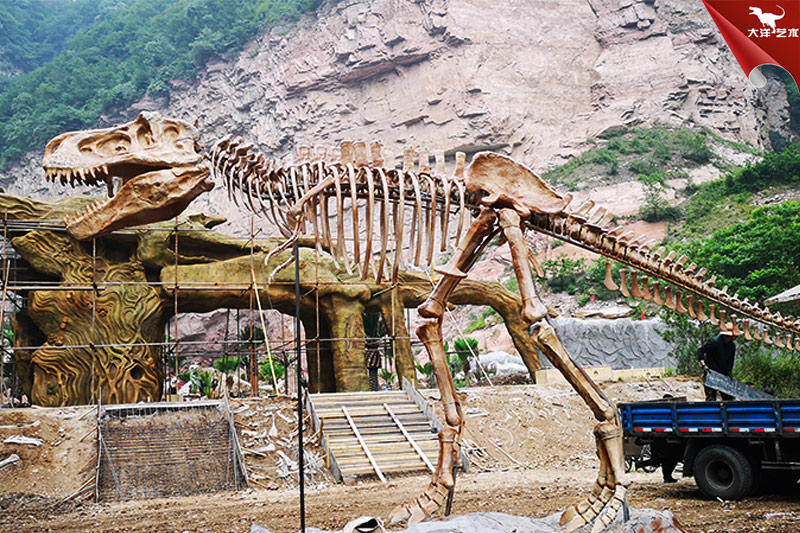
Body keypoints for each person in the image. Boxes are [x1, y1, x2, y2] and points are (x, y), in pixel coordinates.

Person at [697, 330, 737, 401]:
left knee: (728, 398)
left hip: (724, 375)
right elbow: (701, 351)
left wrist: (729, 372)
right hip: (711, 373)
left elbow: (731, 361)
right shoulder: (714, 342)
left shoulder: (732, 346)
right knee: (711, 398)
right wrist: (704, 365)